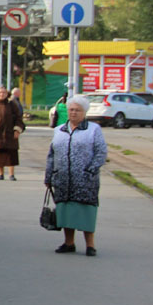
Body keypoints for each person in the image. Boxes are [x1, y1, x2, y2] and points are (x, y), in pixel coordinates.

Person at [45, 95, 108, 256]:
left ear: (84, 112)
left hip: (85, 180)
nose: (73, 113)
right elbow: (52, 154)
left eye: (77, 110)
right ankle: (69, 242)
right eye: (71, 110)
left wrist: (91, 170)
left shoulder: (93, 129)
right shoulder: (59, 130)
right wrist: (49, 176)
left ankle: (90, 245)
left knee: (86, 211)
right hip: (63, 179)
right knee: (66, 210)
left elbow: (101, 153)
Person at [0, 85, 25, 180]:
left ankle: (11, 174)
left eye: (4, 93)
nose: (2, 94)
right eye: (0, 93)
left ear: (7, 94)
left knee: (11, 154)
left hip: (10, 133)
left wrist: (17, 130)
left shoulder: (12, 104)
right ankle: (1, 174)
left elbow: (19, 118)